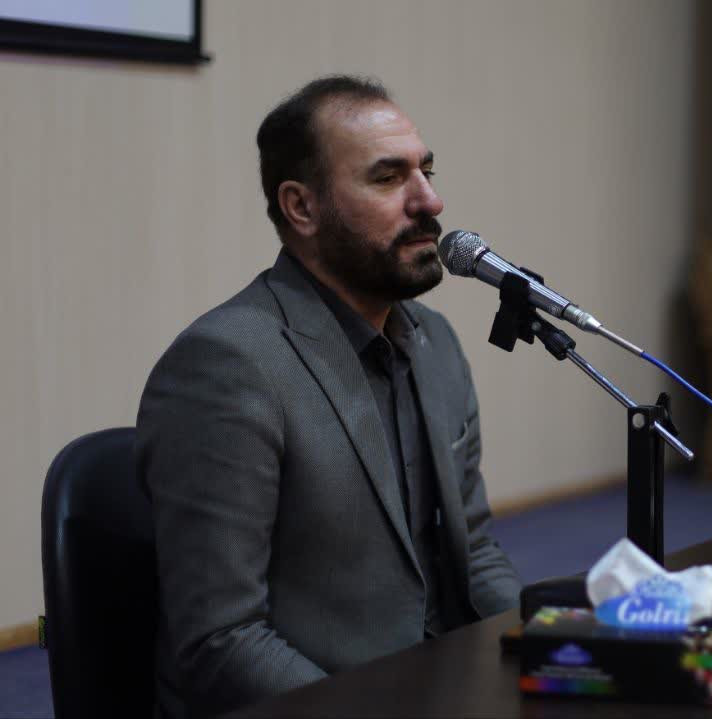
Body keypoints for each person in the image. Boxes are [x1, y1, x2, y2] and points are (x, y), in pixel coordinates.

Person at [136, 75, 522, 719]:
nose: (430, 200)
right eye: (388, 178)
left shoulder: (436, 343)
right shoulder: (226, 367)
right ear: (302, 208)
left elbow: (475, 555)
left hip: (445, 684)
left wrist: (548, 653)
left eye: (425, 171)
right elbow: (220, 641)